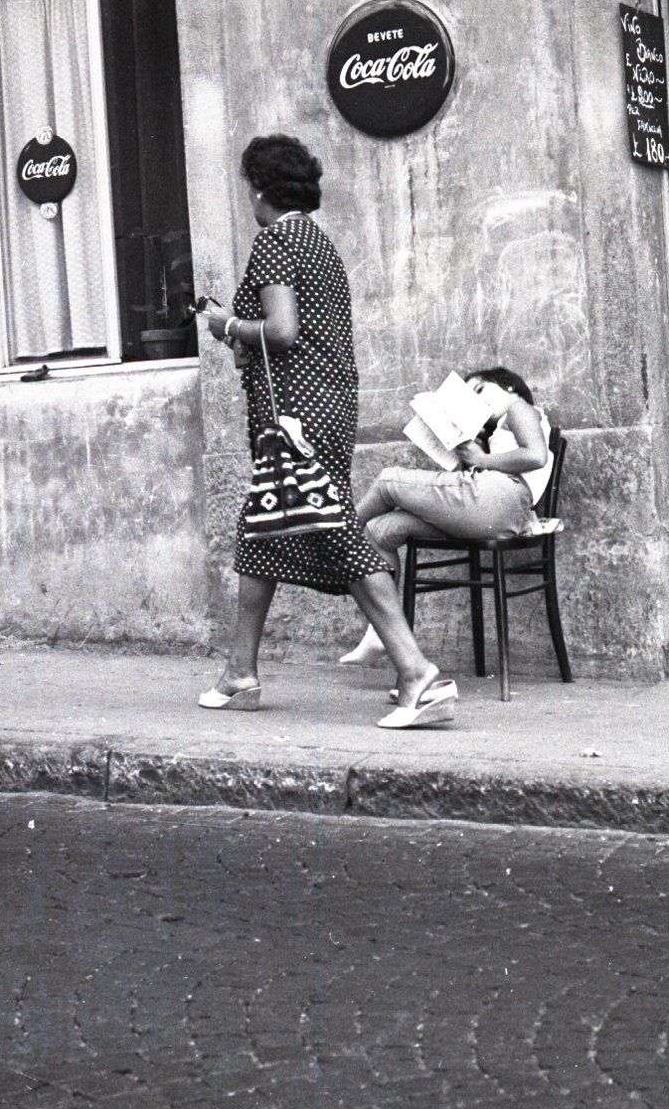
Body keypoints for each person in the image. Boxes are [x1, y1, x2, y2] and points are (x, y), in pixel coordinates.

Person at [198, 134, 456, 729]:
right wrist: (244, 337)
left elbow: (282, 331)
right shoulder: (319, 243)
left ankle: (417, 673)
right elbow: (301, 334)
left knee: (335, 530)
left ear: (259, 189)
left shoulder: (275, 240)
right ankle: (240, 673)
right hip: (325, 407)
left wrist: (226, 324)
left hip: (293, 417)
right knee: (261, 534)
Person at [339, 367, 552, 666]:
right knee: (381, 530)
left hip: (502, 499)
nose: (478, 400)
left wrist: (482, 459)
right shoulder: (497, 433)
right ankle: (380, 631)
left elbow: (536, 456)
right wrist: (473, 453)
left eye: (480, 390)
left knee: (389, 481)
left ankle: (337, 536)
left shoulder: (519, 408)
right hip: (492, 512)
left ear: (510, 387)